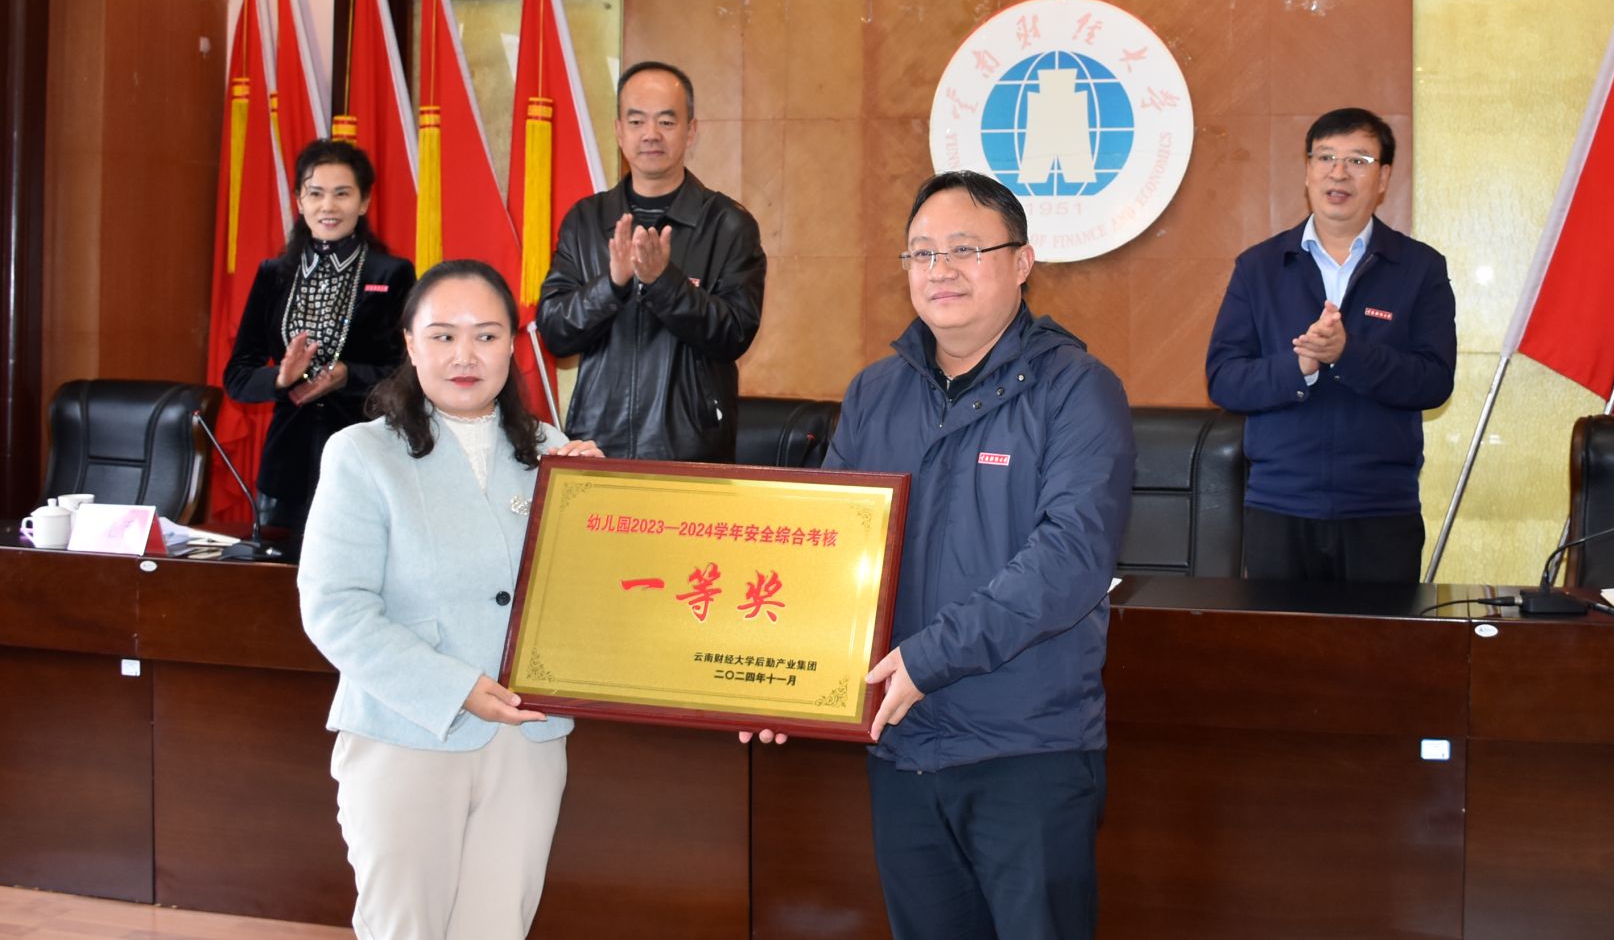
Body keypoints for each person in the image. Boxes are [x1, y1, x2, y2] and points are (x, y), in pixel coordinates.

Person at [811, 170, 1135, 940]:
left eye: (964, 249)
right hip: (902, 749)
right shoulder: (874, 393)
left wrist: (930, 658)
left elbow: (1071, 558)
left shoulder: (1077, 389)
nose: (940, 270)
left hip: (1026, 752)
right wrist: (782, 686)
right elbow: (829, 550)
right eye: (922, 252)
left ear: (1021, 262)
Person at [298, 259, 602, 940]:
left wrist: (603, 510)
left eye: (486, 336)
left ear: (512, 346)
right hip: (406, 730)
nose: (466, 355)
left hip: (526, 738)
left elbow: (590, 599)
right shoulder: (361, 454)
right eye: (443, 336)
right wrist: (454, 687)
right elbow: (335, 606)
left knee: (498, 926)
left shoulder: (555, 452)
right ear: (410, 344)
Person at [1205, 107, 1456, 583]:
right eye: (1325, 157)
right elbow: (1224, 380)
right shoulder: (1259, 267)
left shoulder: (1420, 268)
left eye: (1358, 160)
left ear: (1383, 177)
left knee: (1377, 635)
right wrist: (1297, 366)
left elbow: (1433, 381)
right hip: (1279, 506)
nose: (1338, 172)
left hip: (1381, 510)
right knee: (1280, 634)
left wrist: (1348, 354)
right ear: (1307, 170)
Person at [537, 60, 765, 461]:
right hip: (596, 445)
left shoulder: (728, 224)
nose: (651, 134)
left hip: (689, 449)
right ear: (619, 131)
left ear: (691, 131)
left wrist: (664, 283)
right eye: (637, 121)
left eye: (666, 121)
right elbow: (555, 332)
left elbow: (734, 334)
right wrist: (611, 285)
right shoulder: (585, 220)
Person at [225, 137, 414, 554]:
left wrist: (348, 376)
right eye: (316, 193)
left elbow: (409, 371)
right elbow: (237, 377)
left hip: (364, 456)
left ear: (363, 202)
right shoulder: (273, 274)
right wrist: (280, 378)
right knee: (277, 582)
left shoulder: (391, 274)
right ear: (299, 201)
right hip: (286, 469)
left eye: (342, 193)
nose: (328, 206)